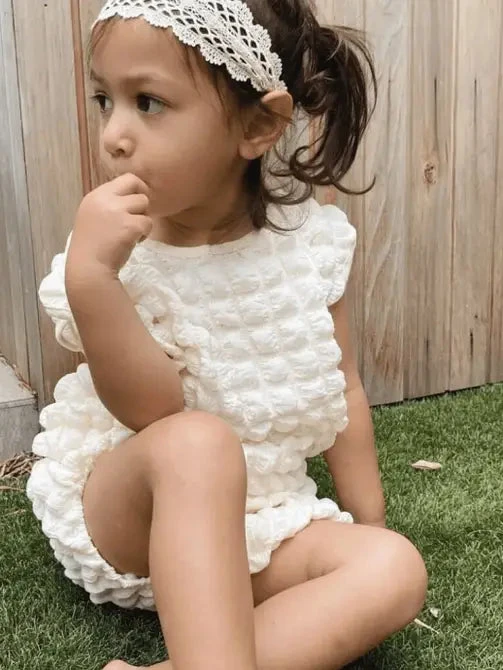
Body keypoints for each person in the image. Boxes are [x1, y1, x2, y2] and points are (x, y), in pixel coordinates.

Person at [26, 1, 428, 669]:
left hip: (261, 525)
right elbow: (152, 411)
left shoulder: (309, 248)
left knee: (393, 569)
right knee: (196, 441)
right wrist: (93, 279)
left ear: (258, 125)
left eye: (147, 103)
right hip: (132, 515)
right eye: (105, 101)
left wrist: (369, 523)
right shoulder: (115, 258)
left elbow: (344, 389)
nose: (114, 135)